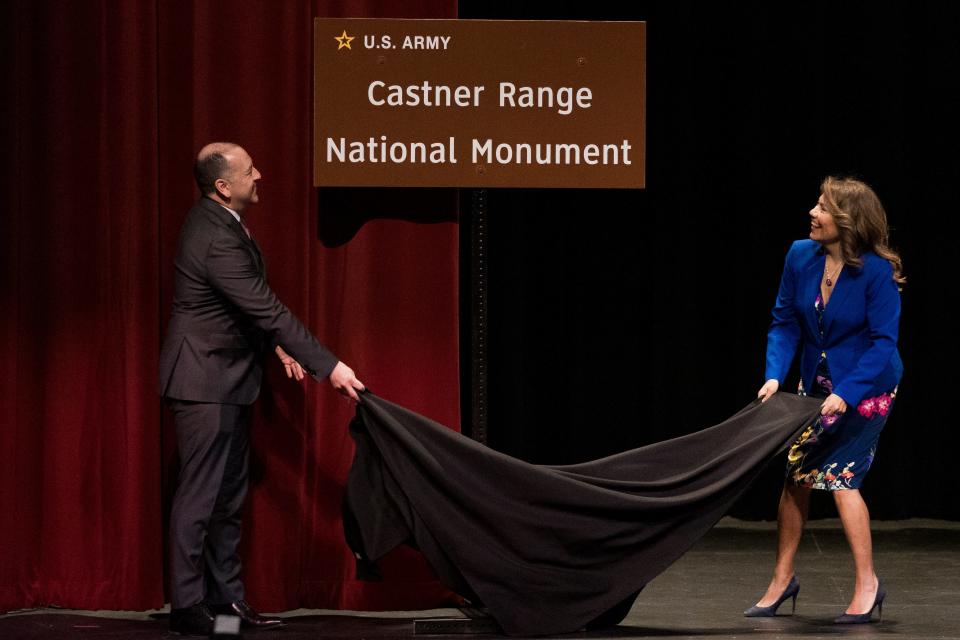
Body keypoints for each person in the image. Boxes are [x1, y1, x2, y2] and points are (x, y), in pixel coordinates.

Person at [159, 142, 365, 636]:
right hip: (204, 379)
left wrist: (276, 348)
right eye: (251, 170)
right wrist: (329, 365)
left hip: (228, 377)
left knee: (227, 498)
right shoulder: (213, 235)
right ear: (223, 186)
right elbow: (263, 305)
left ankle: (227, 609)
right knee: (201, 497)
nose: (261, 174)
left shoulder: (222, 223)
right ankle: (188, 609)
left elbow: (237, 306)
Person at [747, 176, 904, 624]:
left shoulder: (876, 272)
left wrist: (846, 394)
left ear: (847, 221)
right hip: (814, 384)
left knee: (841, 479)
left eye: (822, 207)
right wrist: (775, 377)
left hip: (868, 387)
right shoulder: (800, 255)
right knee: (796, 476)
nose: (812, 214)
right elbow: (784, 323)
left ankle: (867, 586)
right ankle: (782, 579)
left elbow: (882, 344)